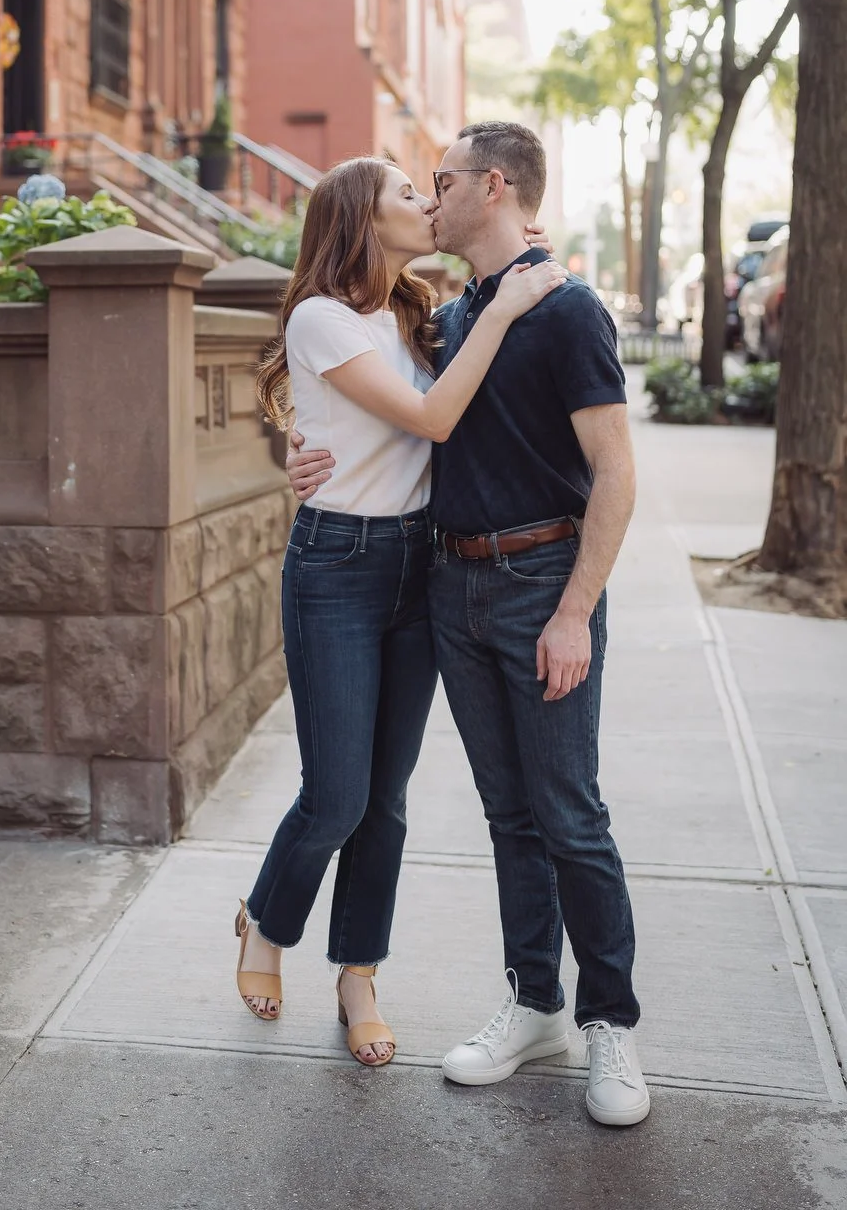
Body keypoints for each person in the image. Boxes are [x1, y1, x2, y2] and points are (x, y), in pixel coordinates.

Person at [287, 122, 648, 1126]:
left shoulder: (566, 309)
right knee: (509, 815)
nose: (428, 198)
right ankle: (536, 1002)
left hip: (542, 585)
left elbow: (617, 473)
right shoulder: (451, 314)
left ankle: (608, 1023)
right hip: (451, 586)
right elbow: (350, 393)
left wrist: (576, 609)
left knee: (570, 813)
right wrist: (298, 450)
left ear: (493, 189)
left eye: (438, 182)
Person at [238, 154, 565, 1067]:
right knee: (335, 794)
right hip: (337, 567)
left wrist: (517, 265)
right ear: (359, 218)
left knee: (386, 802)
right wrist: (502, 307)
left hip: (420, 563)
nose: (427, 205)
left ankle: (357, 978)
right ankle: (266, 919)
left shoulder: (416, 314)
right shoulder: (320, 316)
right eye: (407, 196)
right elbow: (431, 423)